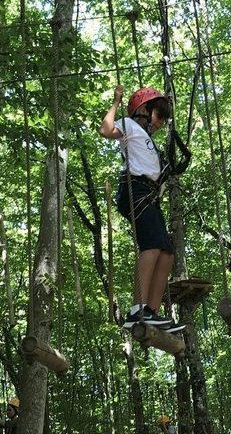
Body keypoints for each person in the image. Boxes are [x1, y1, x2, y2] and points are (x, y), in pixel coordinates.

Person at [100, 86, 184, 333]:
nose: (160, 123)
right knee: (152, 246)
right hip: (134, 190)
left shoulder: (147, 140)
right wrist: (116, 102)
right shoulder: (129, 124)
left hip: (148, 194)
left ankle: (150, 312)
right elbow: (106, 130)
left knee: (166, 252)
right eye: (159, 116)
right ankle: (137, 309)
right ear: (144, 111)